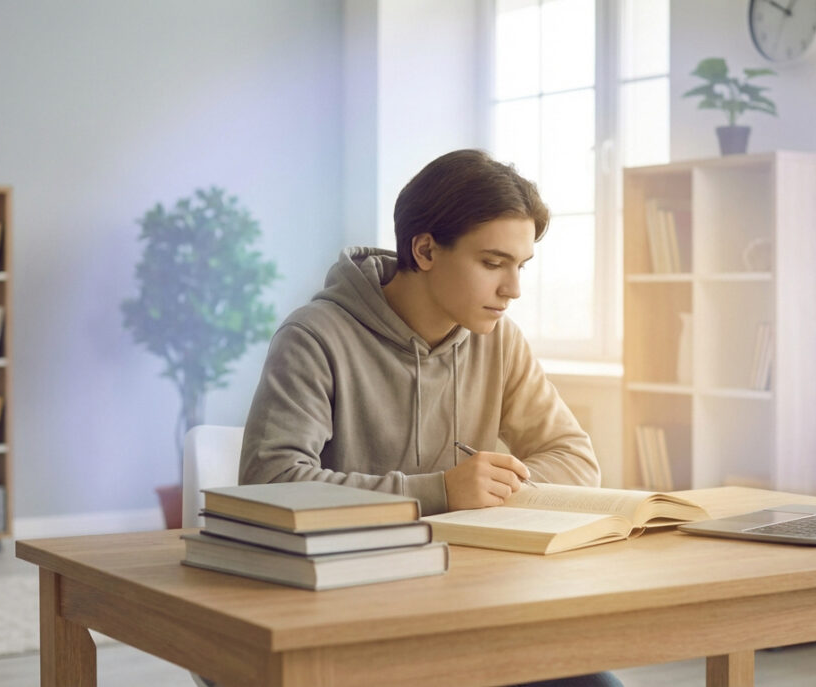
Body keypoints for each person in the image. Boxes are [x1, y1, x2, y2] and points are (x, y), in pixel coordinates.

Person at [233, 149, 622, 687]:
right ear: (425, 250)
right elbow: (269, 482)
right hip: (338, 609)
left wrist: (492, 489)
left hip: (468, 601)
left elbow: (575, 458)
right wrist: (440, 492)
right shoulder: (314, 337)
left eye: (521, 266)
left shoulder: (499, 340)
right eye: (493, 263)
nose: (513, 289)